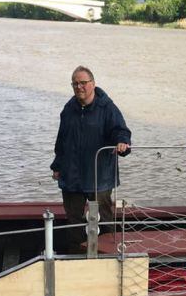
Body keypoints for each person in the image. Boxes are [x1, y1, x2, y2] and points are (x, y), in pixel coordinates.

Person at [51, 66, 131, 252]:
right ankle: (75, 257)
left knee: (105, 218)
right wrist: (57, 166)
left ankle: (110, 255)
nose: (79, 87)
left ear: (93, 84)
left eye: (83, 83)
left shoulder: (107, 108)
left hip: (99, 176)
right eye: (75, 83)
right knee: (73, 222)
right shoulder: (68, 109)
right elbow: (61, 140)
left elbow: (121, 131)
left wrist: (122, 142)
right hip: (72, 176)